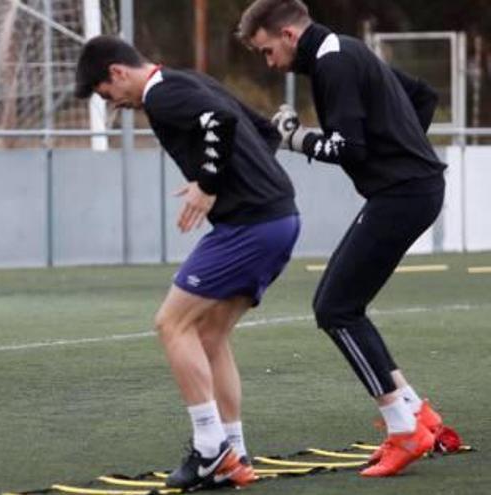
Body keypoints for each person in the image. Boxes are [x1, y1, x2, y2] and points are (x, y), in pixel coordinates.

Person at [238, 0, 461, 477]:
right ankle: (419, 414)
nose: (269, 62)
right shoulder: (348, 49)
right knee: (344, 306)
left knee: (334, 309)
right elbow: (423, 95)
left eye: (266, 51)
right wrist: (401, 152)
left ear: (288, 35)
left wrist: (294, 138)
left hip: (403, 194)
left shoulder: (332, 61)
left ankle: (404, 430)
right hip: (408, 189)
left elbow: (347, 146)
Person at [75, 35, 300, 490]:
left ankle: (210, 449)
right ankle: (233, 450)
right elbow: (264, 130)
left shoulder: (163, 94)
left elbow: (220, 121)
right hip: (280, 219)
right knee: (210, 335)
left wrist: (212, 181)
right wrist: (243, 178)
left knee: (170, 324)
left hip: (249, 226)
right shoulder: (188, 80)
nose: (114, 104)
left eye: (106, 94)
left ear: (118, 72)